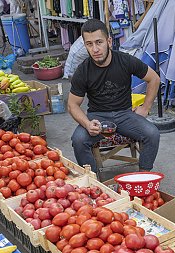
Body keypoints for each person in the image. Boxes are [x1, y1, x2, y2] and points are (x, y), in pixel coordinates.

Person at [68, 19, 161, 173]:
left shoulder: (125, 61)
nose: (95, 49)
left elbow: (154, 78)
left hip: (125, 114)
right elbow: (72, 105)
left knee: (152, 134)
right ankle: (93, 180)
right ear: (85, 46)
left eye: (99, 42)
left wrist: (146, 108)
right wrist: (87, 124)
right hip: (97, 117)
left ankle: (144, 175)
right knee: (78, 140)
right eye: (89, 44)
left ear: (109, 41)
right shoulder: (83, 70)